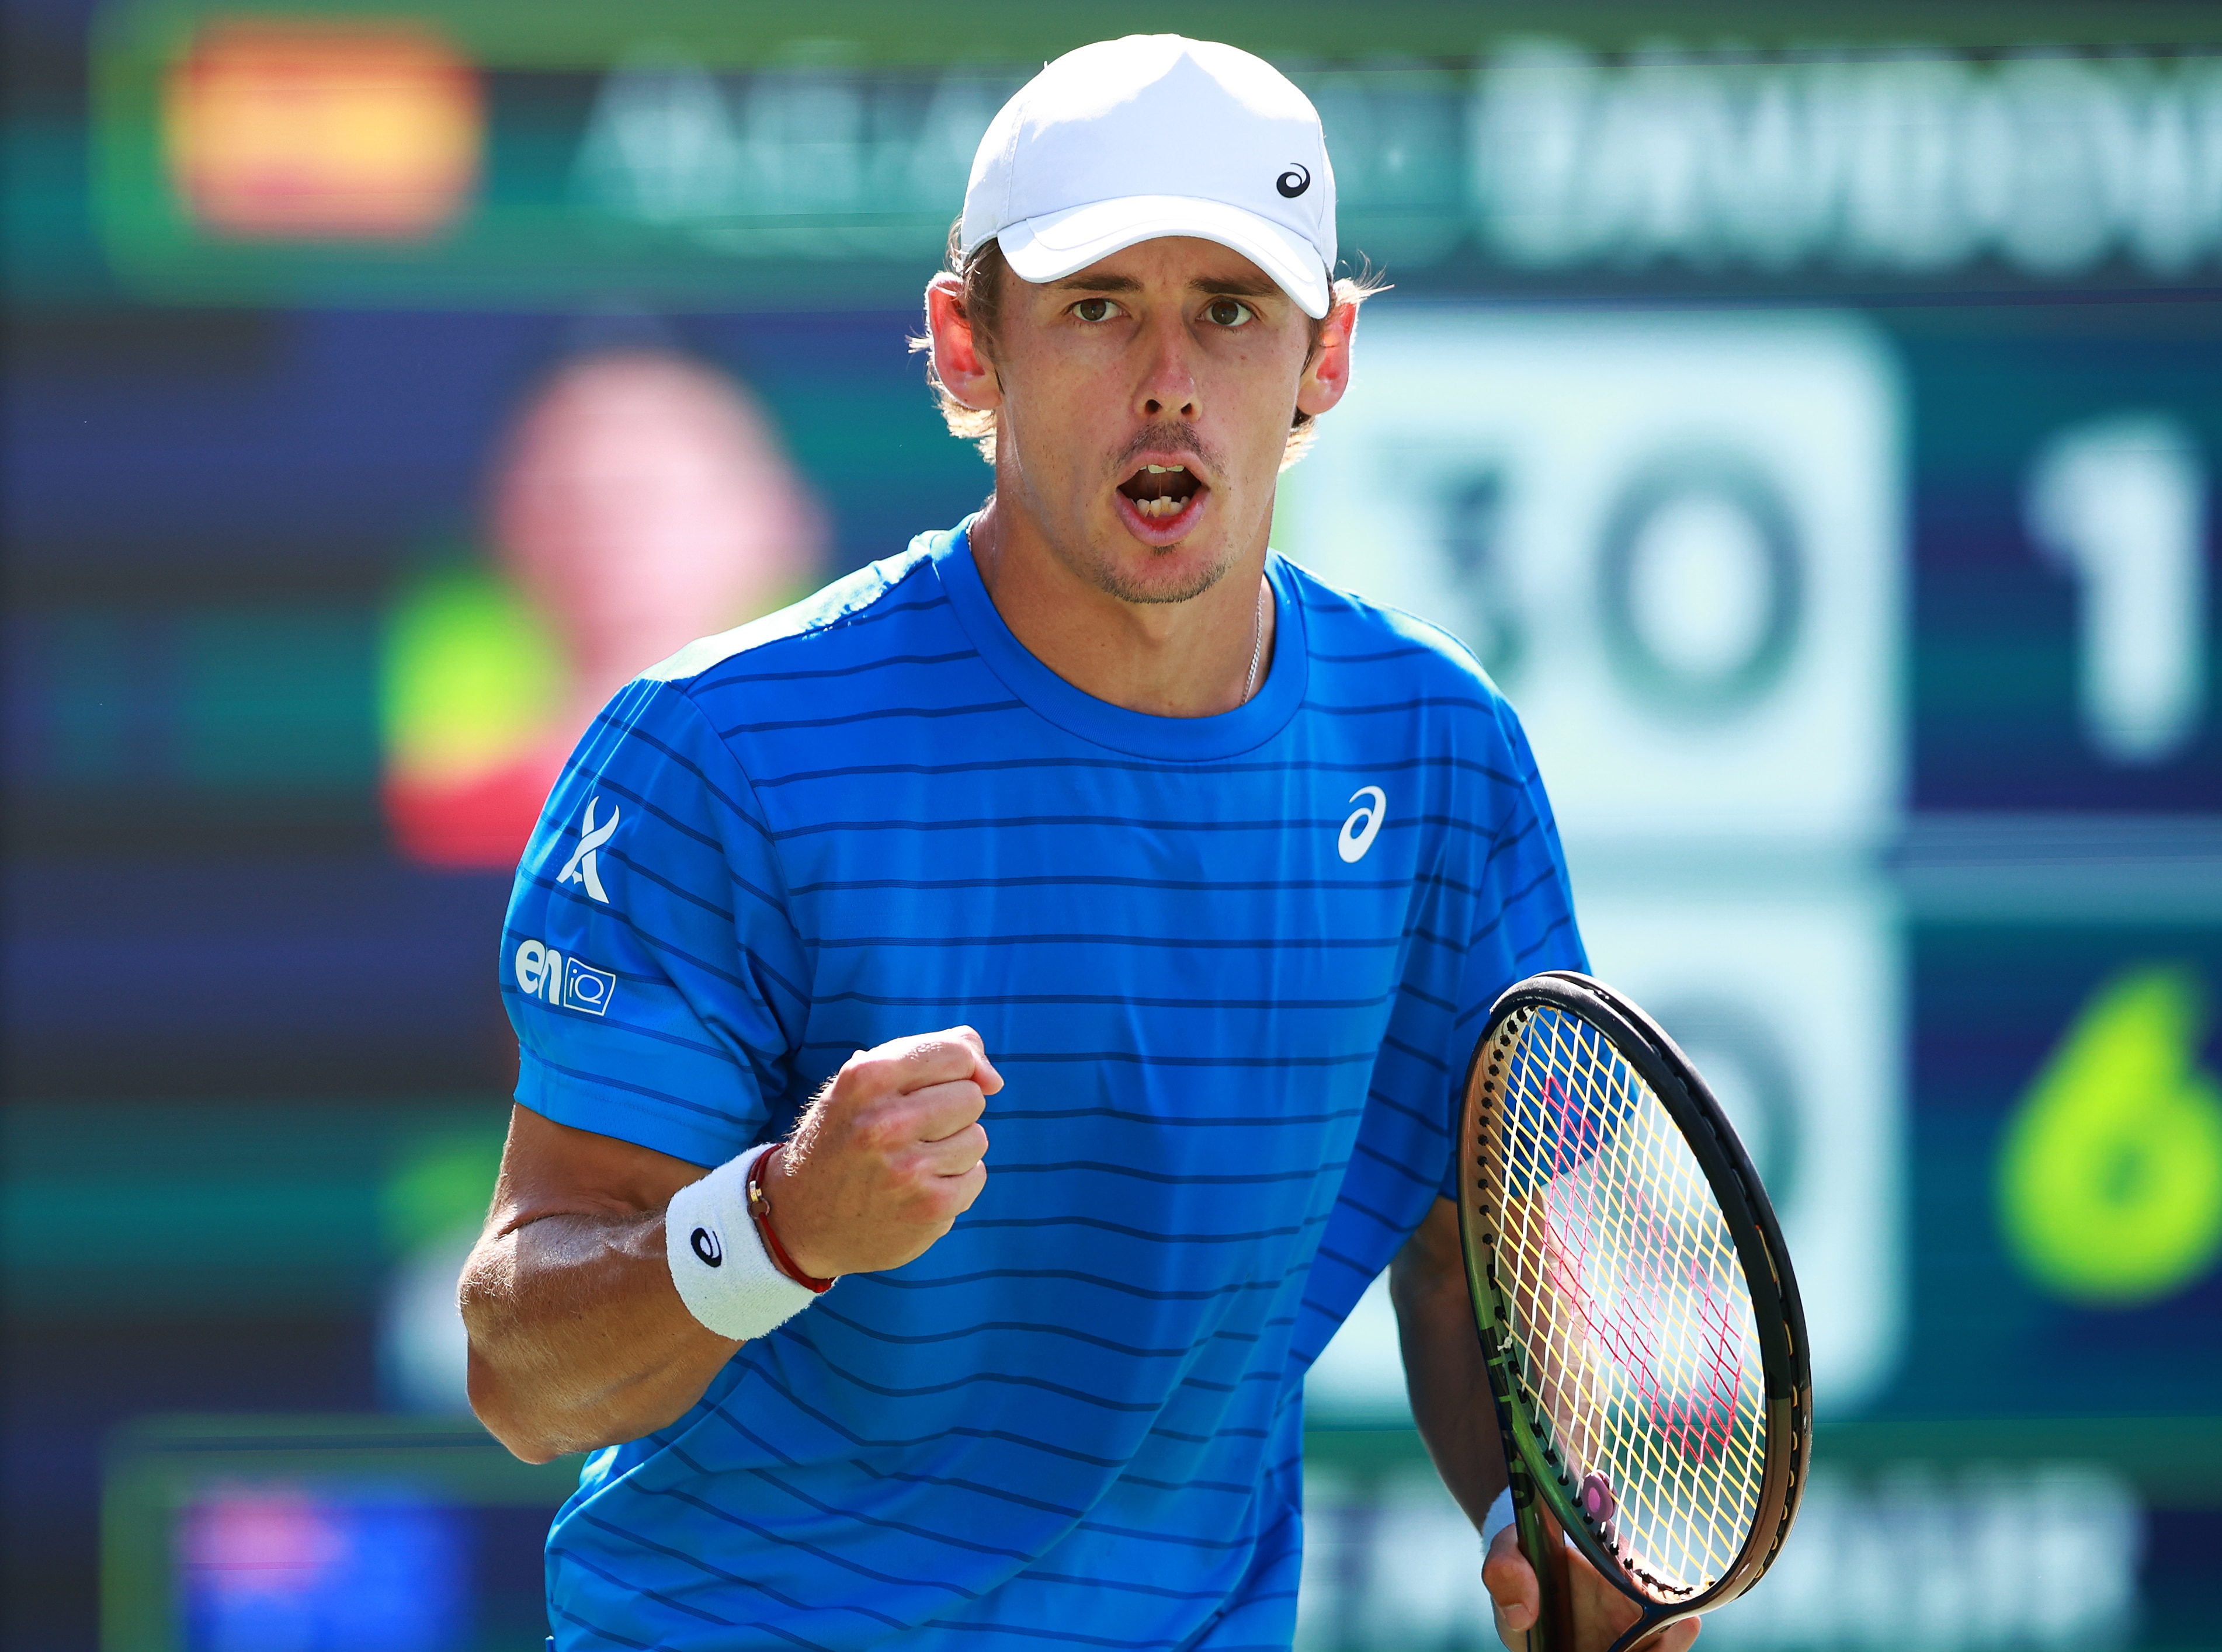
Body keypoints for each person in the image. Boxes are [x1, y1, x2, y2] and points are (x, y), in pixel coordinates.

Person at [461, 35, 1685, 1652]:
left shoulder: (1440, 756)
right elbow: (521, 1375)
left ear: (1324, 362)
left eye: (1231, 311)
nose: (1169, 376)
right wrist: (777, 1227)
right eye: (1100, 305)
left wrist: (1542, 1520)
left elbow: (1468, 1258)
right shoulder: (717, 752)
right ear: (970, 347)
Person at [383, 346, 821, 867]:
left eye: (642, 493)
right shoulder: (445, 652)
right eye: (561, 494)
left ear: (772, 519)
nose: (599, 530)